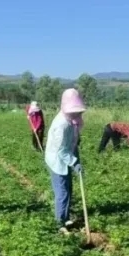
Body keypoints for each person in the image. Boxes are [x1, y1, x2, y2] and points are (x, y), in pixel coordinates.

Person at [44, 89, 86, 233]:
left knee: (68, 189)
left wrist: (76, 160)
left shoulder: (71, 121)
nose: (78, 114)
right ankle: (59, 222)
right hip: (57, 160)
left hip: (66, 158)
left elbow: (73, 144)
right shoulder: (62, 125)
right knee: (62, 192)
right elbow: (61, 150)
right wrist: (74, 162)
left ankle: (66, 217)